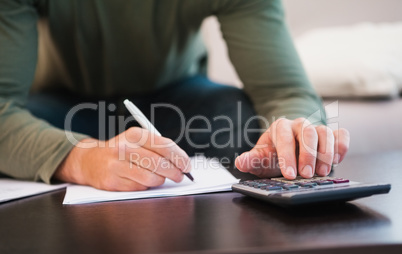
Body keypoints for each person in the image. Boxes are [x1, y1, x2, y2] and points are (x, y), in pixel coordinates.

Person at [0, 0, 349, 191]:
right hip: (64, 105)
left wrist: (291, 134)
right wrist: (78, 159)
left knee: (236, 117)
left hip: (177, 98)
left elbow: (285, 91)